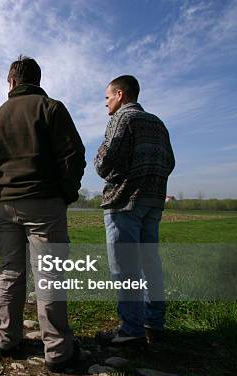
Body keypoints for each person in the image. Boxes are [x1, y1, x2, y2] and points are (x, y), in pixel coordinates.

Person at [0, 56, 86, 372]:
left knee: (10, 272)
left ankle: (6, 339)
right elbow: (74, 155)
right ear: (37, 80)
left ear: (10, 81)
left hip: (6, 204)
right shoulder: (52, 108)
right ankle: (56, 351)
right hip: (45, 203)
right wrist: (65, 194)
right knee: (50, 274)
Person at [94, 75, 175, 346]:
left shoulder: (122, 119)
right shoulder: (159, 123)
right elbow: (170, 162)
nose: (105, 103)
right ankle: (154, 322)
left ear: (120, 95)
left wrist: (113, 168)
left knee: (124, 267)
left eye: (107, 97)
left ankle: (131, 329)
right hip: (152, 202)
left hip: (124, 201)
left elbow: (104, 162)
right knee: (151, 264)